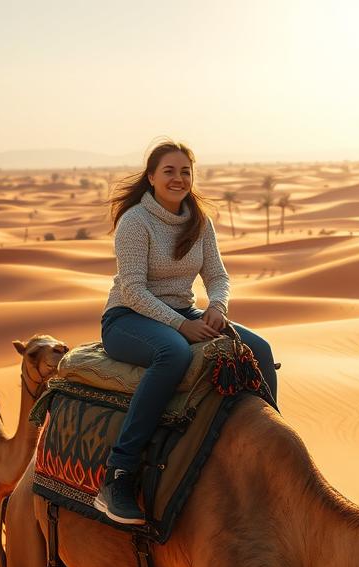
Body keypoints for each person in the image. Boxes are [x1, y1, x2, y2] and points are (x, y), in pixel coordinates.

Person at [94, 140, 278, 525]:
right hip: (128, 318)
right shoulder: (135, 222)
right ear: (151, 177)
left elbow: (217, 276)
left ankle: (273, 452)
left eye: (185, 172)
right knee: (174, 354)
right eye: (169, 171)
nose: (178, 179)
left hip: (185, 311)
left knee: (258, 348)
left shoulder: (199, 221)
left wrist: (217, 307)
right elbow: (133, 289)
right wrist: (181, 325)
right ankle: (119, 475)